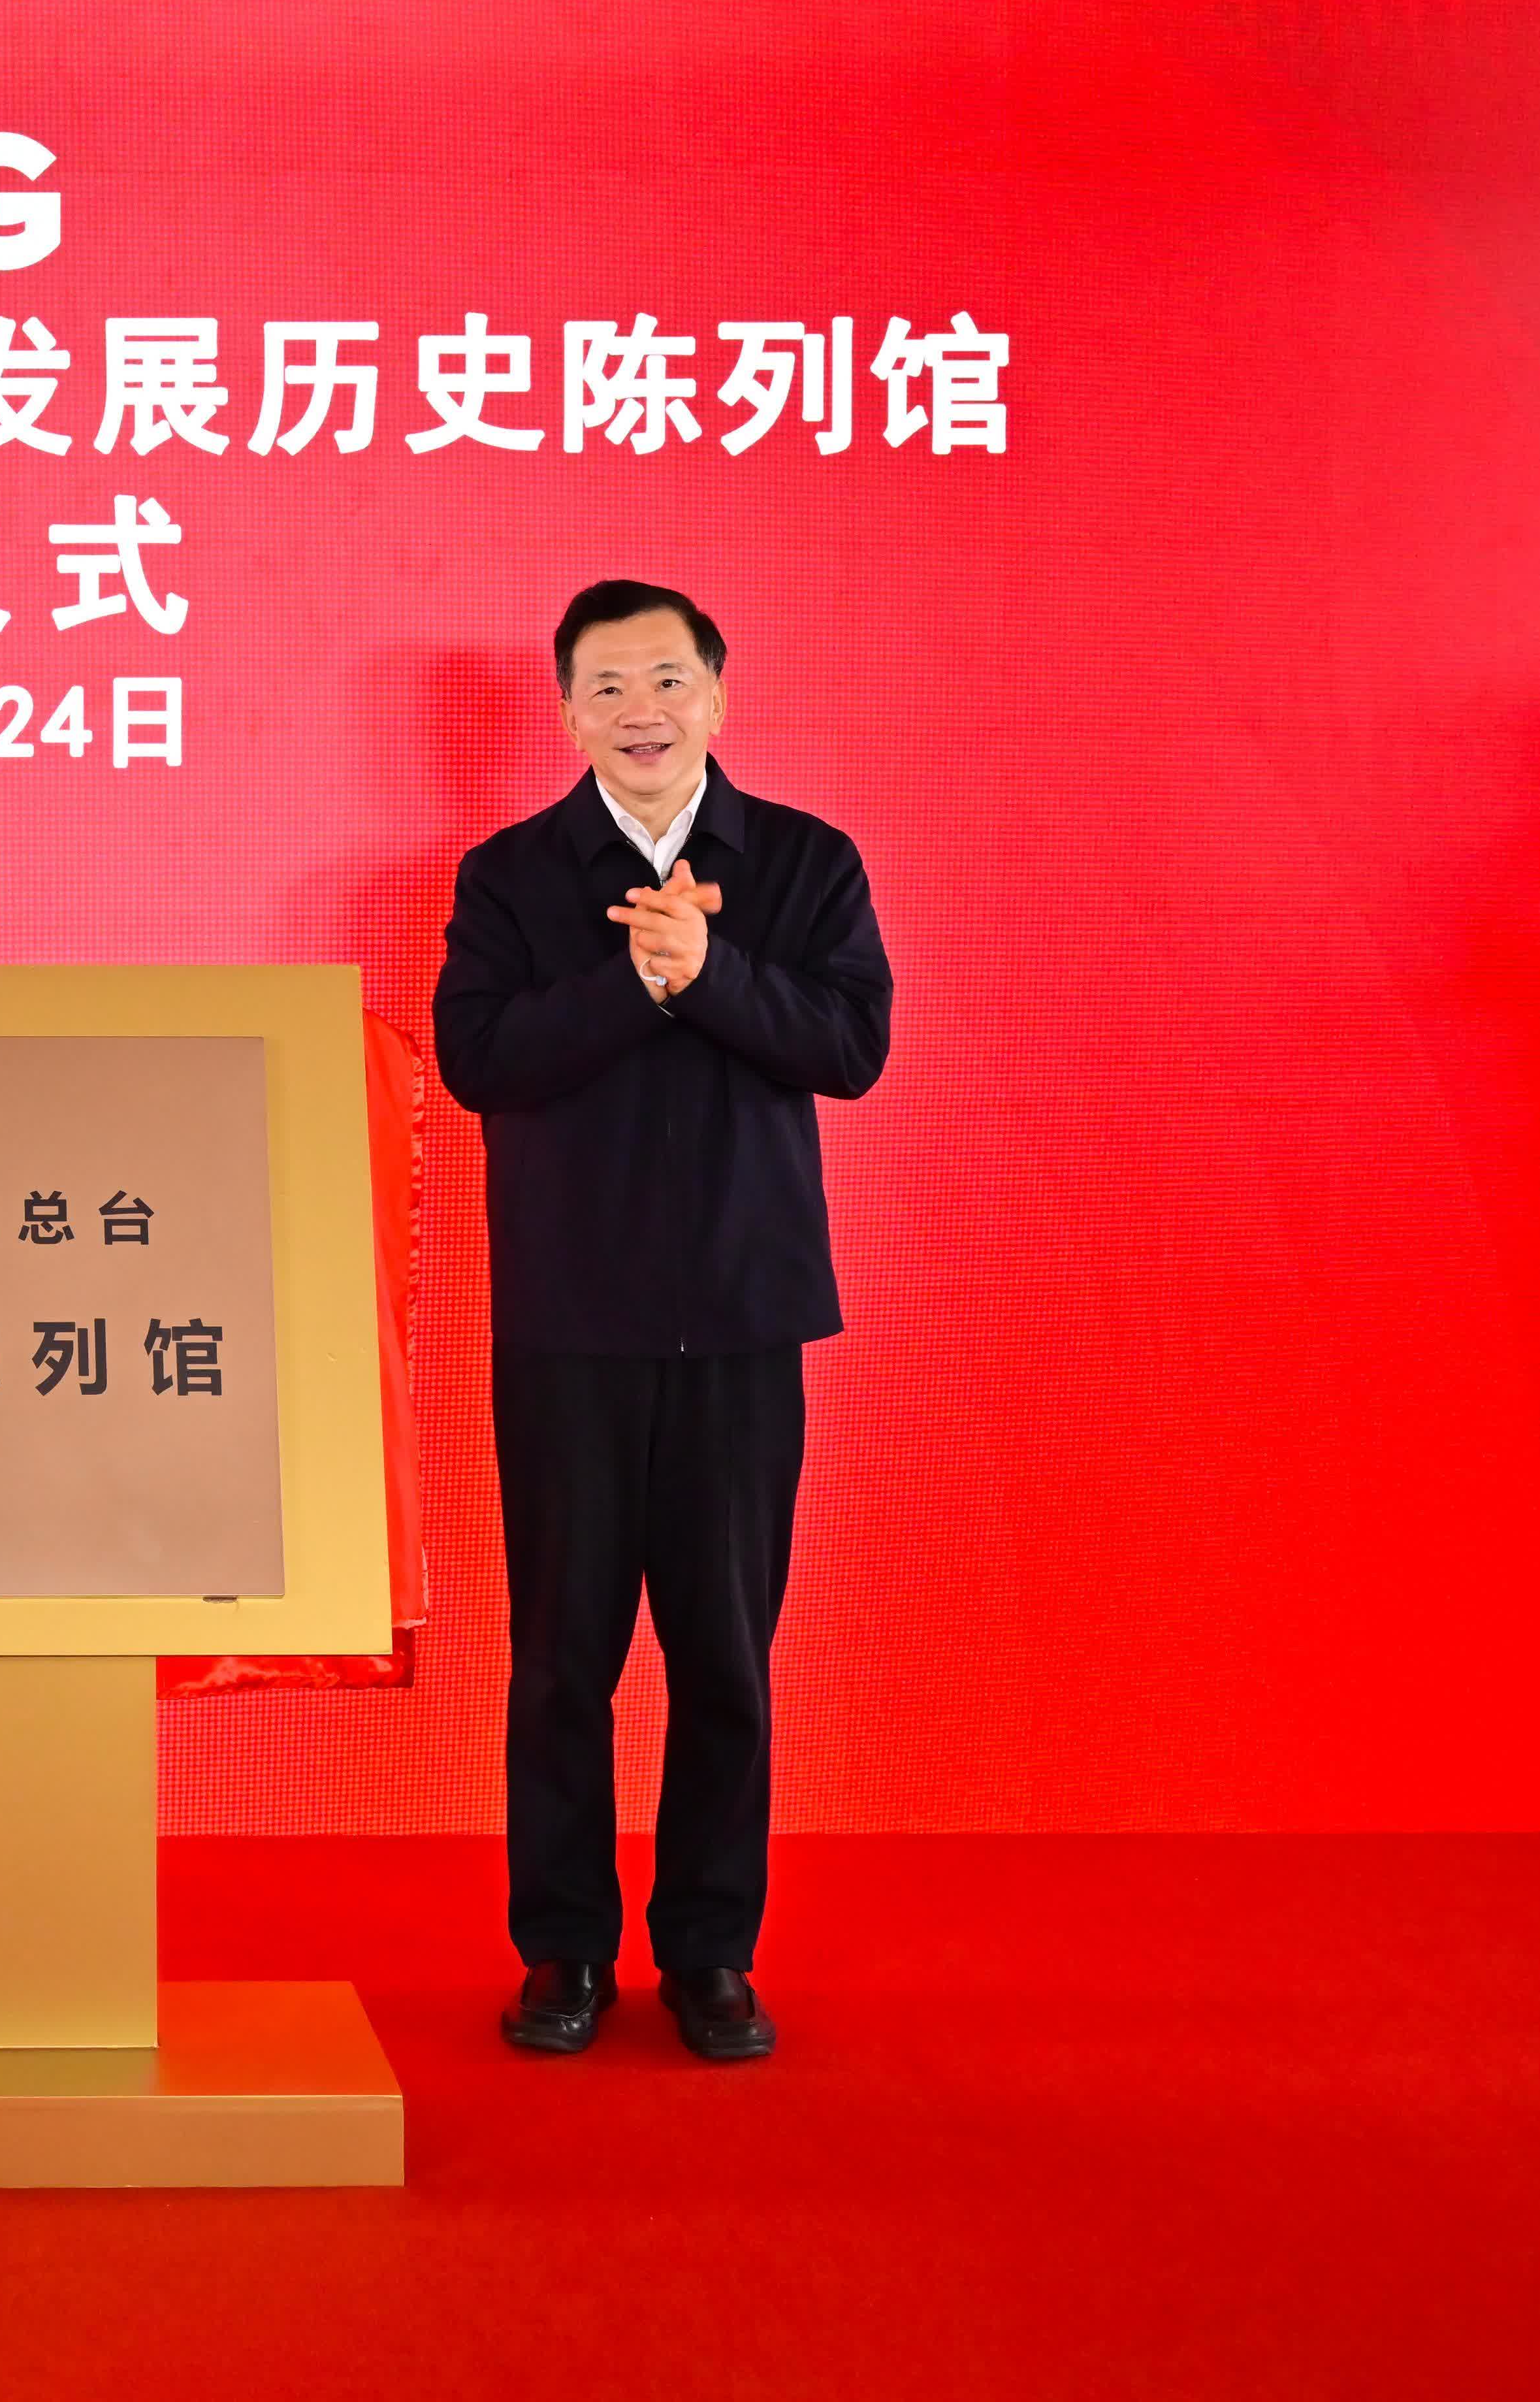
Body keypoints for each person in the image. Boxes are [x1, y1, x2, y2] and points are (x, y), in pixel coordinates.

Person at [429, 581, 891, 2064]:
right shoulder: (511, 875)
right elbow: (478, 1060)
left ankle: (709, 1953)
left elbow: (852, 1047)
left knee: (725, 1656)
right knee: (562, 1656)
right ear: (567, 714)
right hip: (569, 1324)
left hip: (744, 1318)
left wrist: (716, 972)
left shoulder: (804, 862)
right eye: (609, 688)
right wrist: (638, 980)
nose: (643, 711)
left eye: (669, 680)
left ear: (719, 696)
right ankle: (562, 1947)